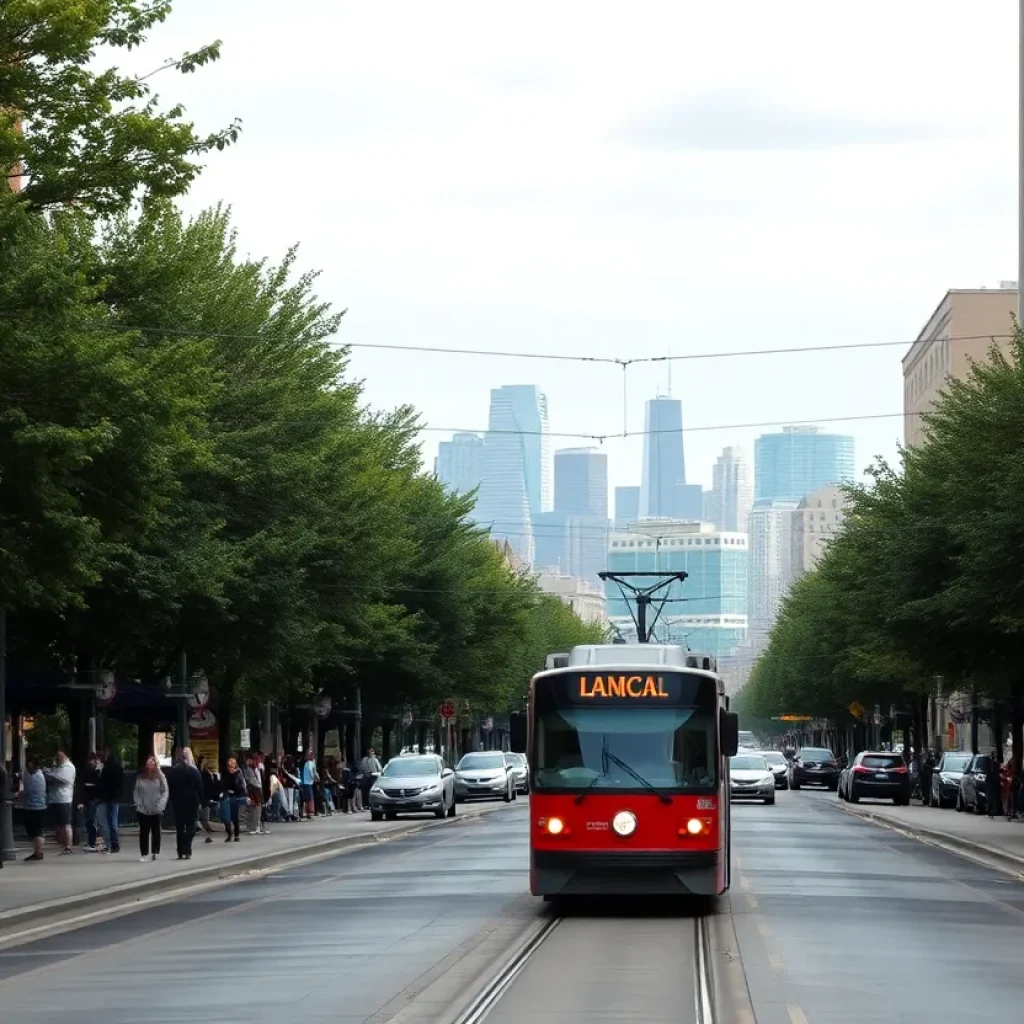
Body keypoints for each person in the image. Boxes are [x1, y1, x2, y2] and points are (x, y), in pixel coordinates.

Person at [167, 748, 203, 859]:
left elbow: (169, 789)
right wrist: (202, 801)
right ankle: (188, 847)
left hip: (178, 802)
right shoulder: (193, 772)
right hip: (192, 802)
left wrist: (172, 800)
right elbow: (199, 788)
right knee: (191, 825)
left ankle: (180, 850)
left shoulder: (172, 772)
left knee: (180, 827)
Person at [133, 756, 169, 861]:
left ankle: (155, 852)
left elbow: (165, 791)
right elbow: (136, 793)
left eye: (152, 763)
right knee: (144, 831)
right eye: (149, 763)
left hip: (156, 809)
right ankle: (144, 853)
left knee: (156, 831)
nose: (150, 766)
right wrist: (138, 804)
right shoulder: (140, 777)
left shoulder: (160, 776)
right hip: (143, 809)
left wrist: (160, 805)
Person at [43, 749, 76, 855]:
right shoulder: (59, 767)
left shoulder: (68, 767)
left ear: (65, 756)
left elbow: (64, 780)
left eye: (60, 756)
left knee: (66, 823)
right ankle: (62, 843)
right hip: (55, 798)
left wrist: (50, 774)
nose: (58, 758)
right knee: (58, 824)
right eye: (57, 756)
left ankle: (68, 845)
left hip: (64, 799)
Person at [17, 756, 47, 861]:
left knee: (37, 831)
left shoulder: (37, 777)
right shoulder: (28, 773)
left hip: (37, 807)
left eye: (30, 765)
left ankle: (38, 853)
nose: (28, 767)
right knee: (33, 831)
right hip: (31, 807)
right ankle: (37, 851)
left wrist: (18, 794)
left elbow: (27, 792)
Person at [96, 744, 124, 854]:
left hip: (109, 797)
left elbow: (107, 782)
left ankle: (111, 844)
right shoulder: (112, 765)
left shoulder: (109, 766)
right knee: (110, 822)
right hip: (111, 797)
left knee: (108, 822)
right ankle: (111, 844)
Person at [220, 756, 248, 842]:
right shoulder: (224, 772)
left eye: (234, 763)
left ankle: (236, 835)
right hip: (226, 796)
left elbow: (240, 785)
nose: (233, 764)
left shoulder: (238, 772)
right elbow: (222, 784)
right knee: (226, 818)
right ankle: (229, 833)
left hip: (235, 796)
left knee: (234, 817)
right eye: (231, 762)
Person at [197, 755, 219, 842]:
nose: (207, 764)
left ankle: (211, 821)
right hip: (204, 798)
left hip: (210, 797)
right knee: (206, 810)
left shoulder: (211, 774)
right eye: (205, 763)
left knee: (213, 808)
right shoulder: (201, 775)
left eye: (207, 763)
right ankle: (206, 822)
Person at [359, 748, 382, 812]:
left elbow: (379, 768)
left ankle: (371, 804)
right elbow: (362, 767)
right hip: (366, 777)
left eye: (372, 752)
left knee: (372, 790)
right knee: (366, 790)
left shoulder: (375, 759)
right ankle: (366, 804)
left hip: (374, 776)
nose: (371, 753)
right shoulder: (364, 759)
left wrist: (377, 774)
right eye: (370, 752)